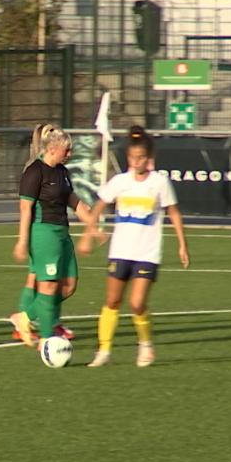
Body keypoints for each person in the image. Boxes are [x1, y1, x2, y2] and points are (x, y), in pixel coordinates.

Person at [82, 125, 189, 367]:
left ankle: (145, 345)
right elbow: (98, 206)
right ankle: (104, 350)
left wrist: (182, 245)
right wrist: (89, 233)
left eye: (140, 157)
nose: (136, 161)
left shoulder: (159, 183)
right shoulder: (119, 182)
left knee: (137, 303)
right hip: (120, 251)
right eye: (132, 157)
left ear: (149, 158)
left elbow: (173, 212)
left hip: (147, 253)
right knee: (112, 302)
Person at [9, 124, 97, 348]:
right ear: (52, 149)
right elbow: (25, 208)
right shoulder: (34, 171)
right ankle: (47, 338)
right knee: (47, 287)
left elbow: (74, 201)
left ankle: (25, 317)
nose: (70, 154)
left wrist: (93, 226)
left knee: (68, 285)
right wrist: (22, 241)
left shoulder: (62, 172)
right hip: (43, 232)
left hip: (62, 233)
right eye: (66, 151)